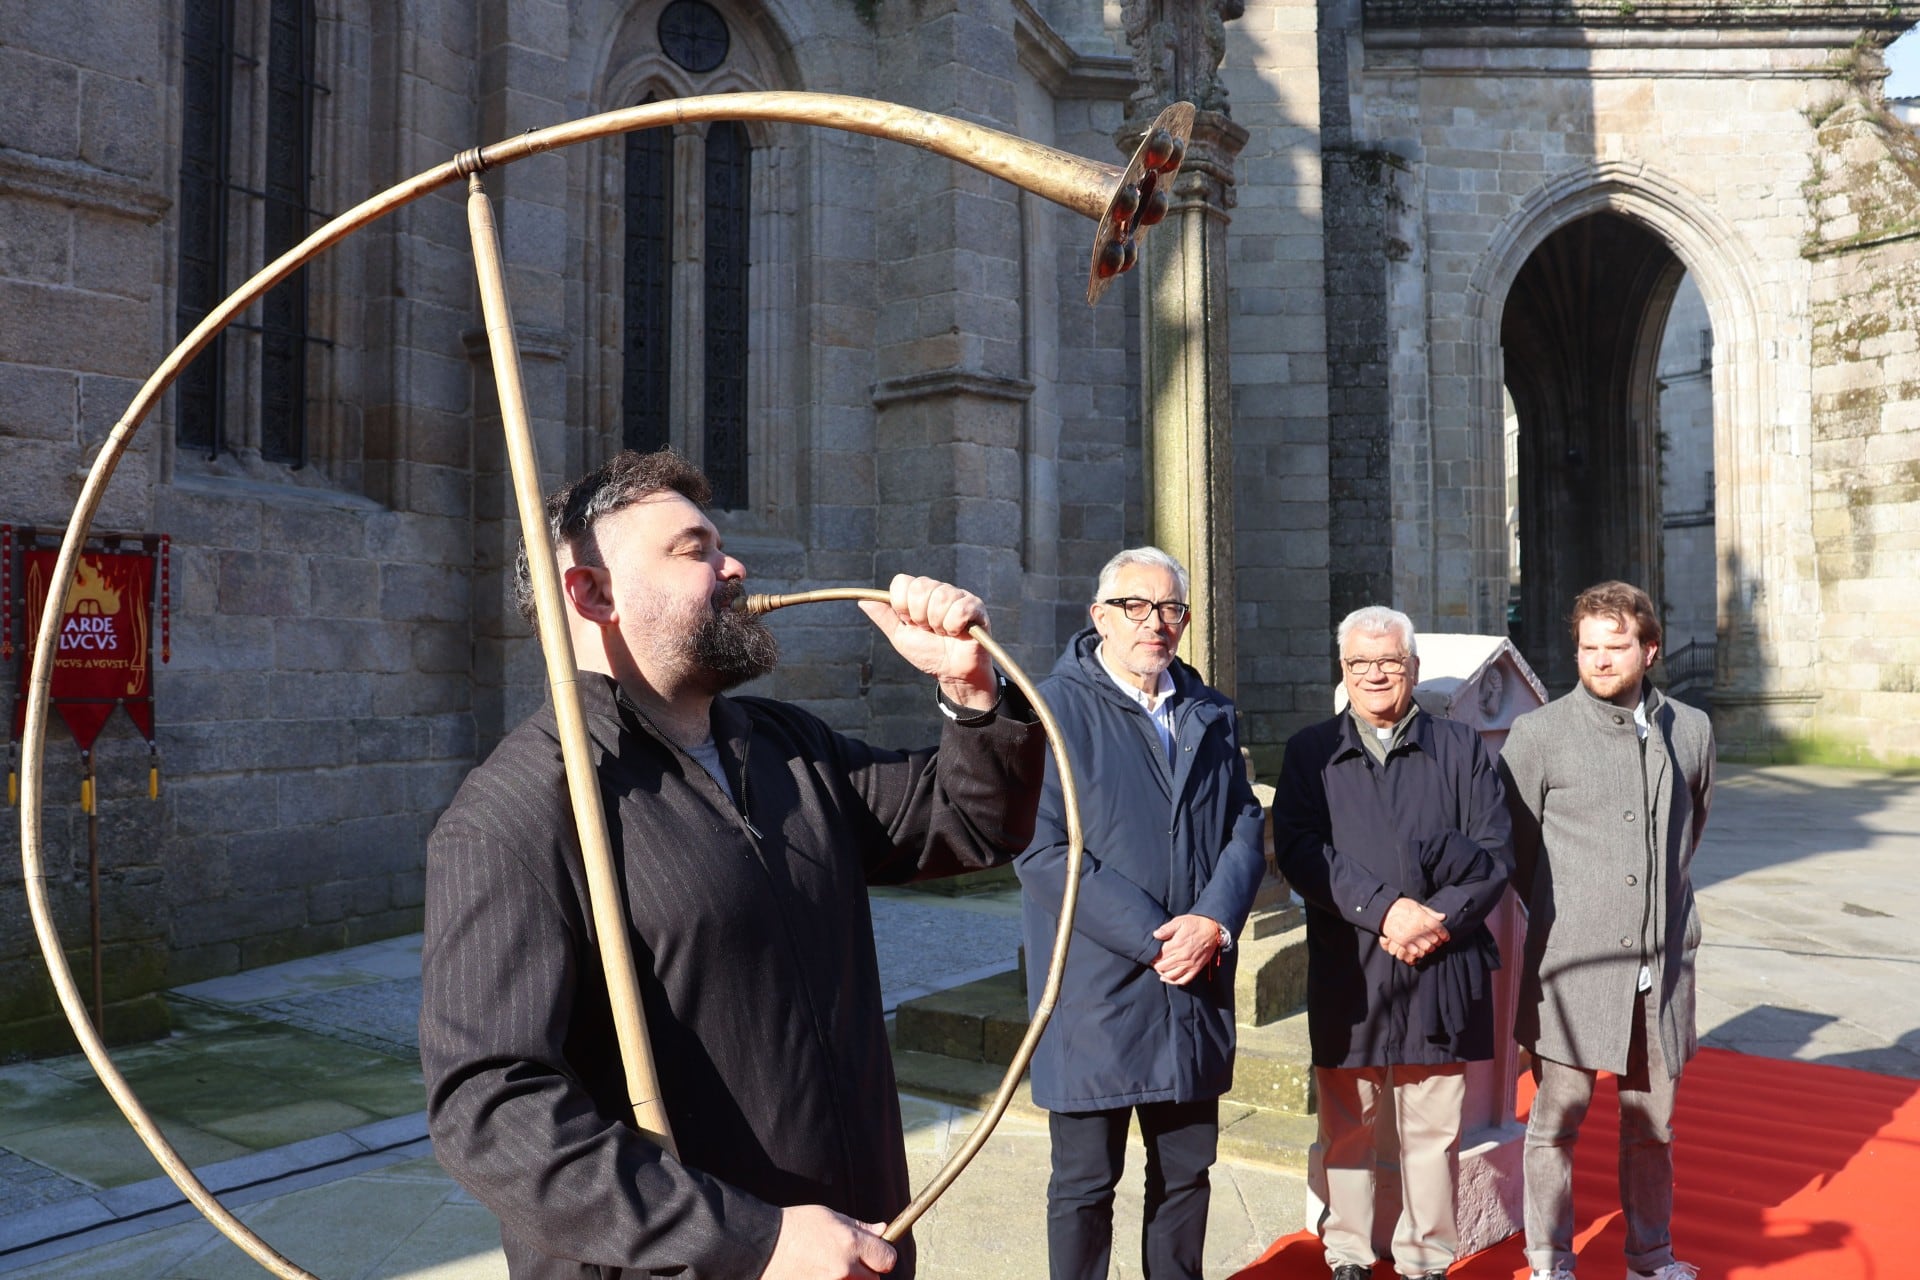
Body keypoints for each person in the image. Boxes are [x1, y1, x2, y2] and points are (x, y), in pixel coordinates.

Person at [419, 448, 1046, 1280]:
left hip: (863, 1242)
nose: (734, 565)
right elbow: (492, 1111)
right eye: (695, 549)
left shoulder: (784, 747)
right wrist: (750, 1240)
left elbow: (968, 824)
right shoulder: (515, 812)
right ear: (594, 593)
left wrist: (972, 699)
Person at [1014, 547, 1266, 1280]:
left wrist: (1214, 920)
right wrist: (1157, 940)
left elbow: (1245, 826)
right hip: (1098, 988)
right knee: (1086, 1185)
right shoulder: (1050, 710)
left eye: (1171, 610)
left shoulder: (1210, 710)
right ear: (1099, 617)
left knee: (1187, 1177)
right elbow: (1041, 850)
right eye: (1136, 607)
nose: (1155, 624)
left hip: (1194, 989)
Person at [1272, 605, 1513, 1280]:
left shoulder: (1461, 748)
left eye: (1389, 662)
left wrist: (1432, 919)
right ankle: (1348, 1248)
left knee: (1434, 1130)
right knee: (1347, 1122)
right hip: (1351, 967)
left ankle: (1426, 1256)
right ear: (1342, 670)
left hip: (1440, 964)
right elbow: (1298, 848)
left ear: (1413, 668)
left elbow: (1494, 853)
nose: (1375, 674)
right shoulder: (1310, 751)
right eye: (1360, 663)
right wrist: (1385, 914)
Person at [1498, 582, 1714, 1280]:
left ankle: (1650, 1258)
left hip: (1661, 971)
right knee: (1555, 1120)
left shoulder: (1694, 730)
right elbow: (1515, 852)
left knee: (1652, 1128)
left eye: (1615, 647)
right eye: (1587, 647)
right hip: (1573, 969)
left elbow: (1690, 831)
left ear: (1649, 650)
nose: (1598, 659)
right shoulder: (1538, 735)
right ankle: (1549, 1262)